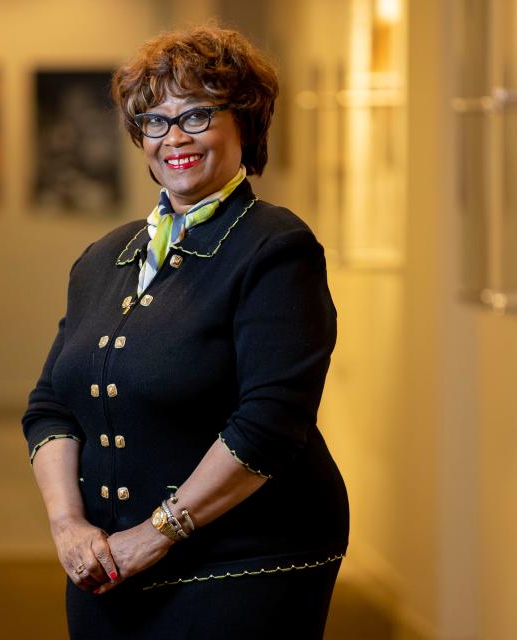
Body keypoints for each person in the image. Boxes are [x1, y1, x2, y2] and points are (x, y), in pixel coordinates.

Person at [21, 24, 349, 639]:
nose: (173, 137)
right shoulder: (103, 256)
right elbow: (50, 408)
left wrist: (155, 534)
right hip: (108, 564)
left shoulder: (276, 247)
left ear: (244, 123)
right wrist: (68, 525)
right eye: (153, 119)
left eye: (196, 114)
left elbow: (271, 422)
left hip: (247, 561)